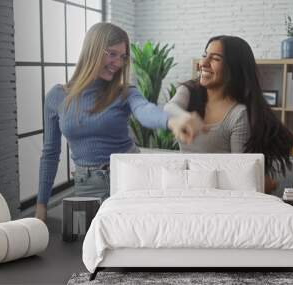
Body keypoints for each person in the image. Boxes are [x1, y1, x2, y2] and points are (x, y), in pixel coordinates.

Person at [35, 23, 200, 221]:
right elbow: (50, 154)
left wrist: (171, 121)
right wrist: (41, 205)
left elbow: (145, 110)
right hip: (86, 186)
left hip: (129, 176)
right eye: (111, 54)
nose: (118, 63)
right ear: (92, 51)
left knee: (135, 240)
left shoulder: (125, 92)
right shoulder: (57, 96)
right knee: (88, 245)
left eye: (122, 57)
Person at [164, 35, 293, 193]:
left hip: (218, 195)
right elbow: (170, 108)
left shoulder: (238, 115)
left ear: (233, 68)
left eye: (215, 59)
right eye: (205, 55)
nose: (203, 63)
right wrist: (184, 117)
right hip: (185, 189)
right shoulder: (189, 91)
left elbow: (239, 175)